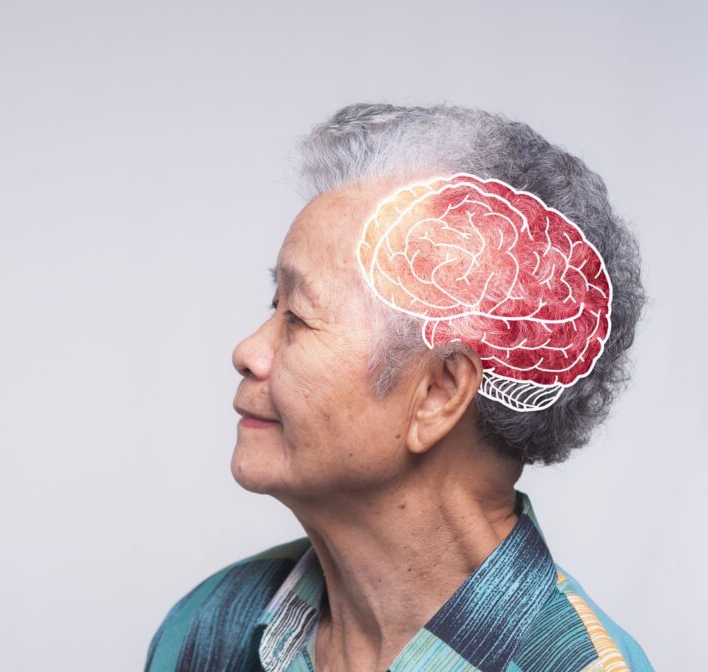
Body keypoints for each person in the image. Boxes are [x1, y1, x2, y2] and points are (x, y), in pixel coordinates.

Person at [143, 103, 654, 672]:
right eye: (273, 304)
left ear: (437, 393)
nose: (247, 353)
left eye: (299, 318)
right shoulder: (209, 629)